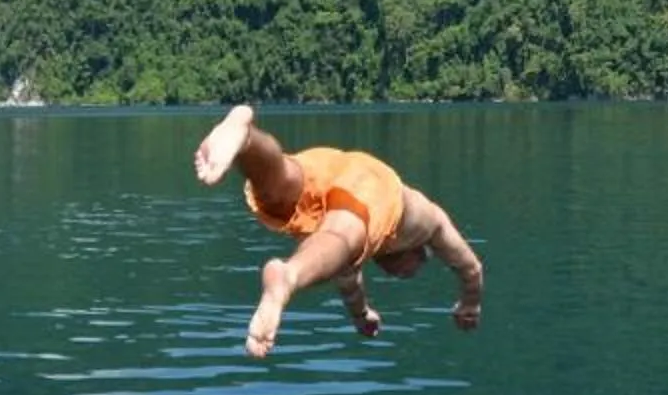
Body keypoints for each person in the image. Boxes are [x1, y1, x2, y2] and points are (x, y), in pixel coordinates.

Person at [192, 103, 484, 358]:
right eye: (412, 270)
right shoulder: (429, 226)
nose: (403, 274)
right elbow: (471, 267)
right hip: (376, 184)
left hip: (334, 164)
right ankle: (287, 277)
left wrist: (361, 315)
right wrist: (469, 304)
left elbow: (349, 285)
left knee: (278, 186)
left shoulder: (358, 254)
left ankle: (246, 138)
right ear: (418, 254)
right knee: (343, 236)